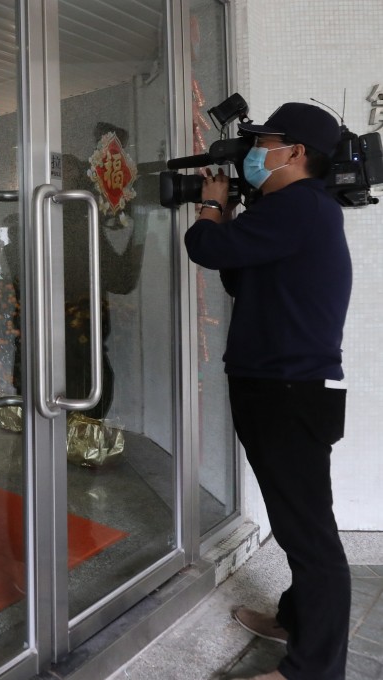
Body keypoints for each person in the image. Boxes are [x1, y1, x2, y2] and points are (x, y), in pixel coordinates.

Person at [184, 102, 351, 680]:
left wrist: (212, 206)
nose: (255, 153)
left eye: (265, 142)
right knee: (299, 522)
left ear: (296, 153)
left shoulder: (300, 205)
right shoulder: (294, 211)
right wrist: (228, 214)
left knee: (310, 536)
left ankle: (313, 670)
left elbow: (208, 248)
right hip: (278, 387)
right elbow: (237, 271)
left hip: (287, 391)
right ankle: (296, 622)